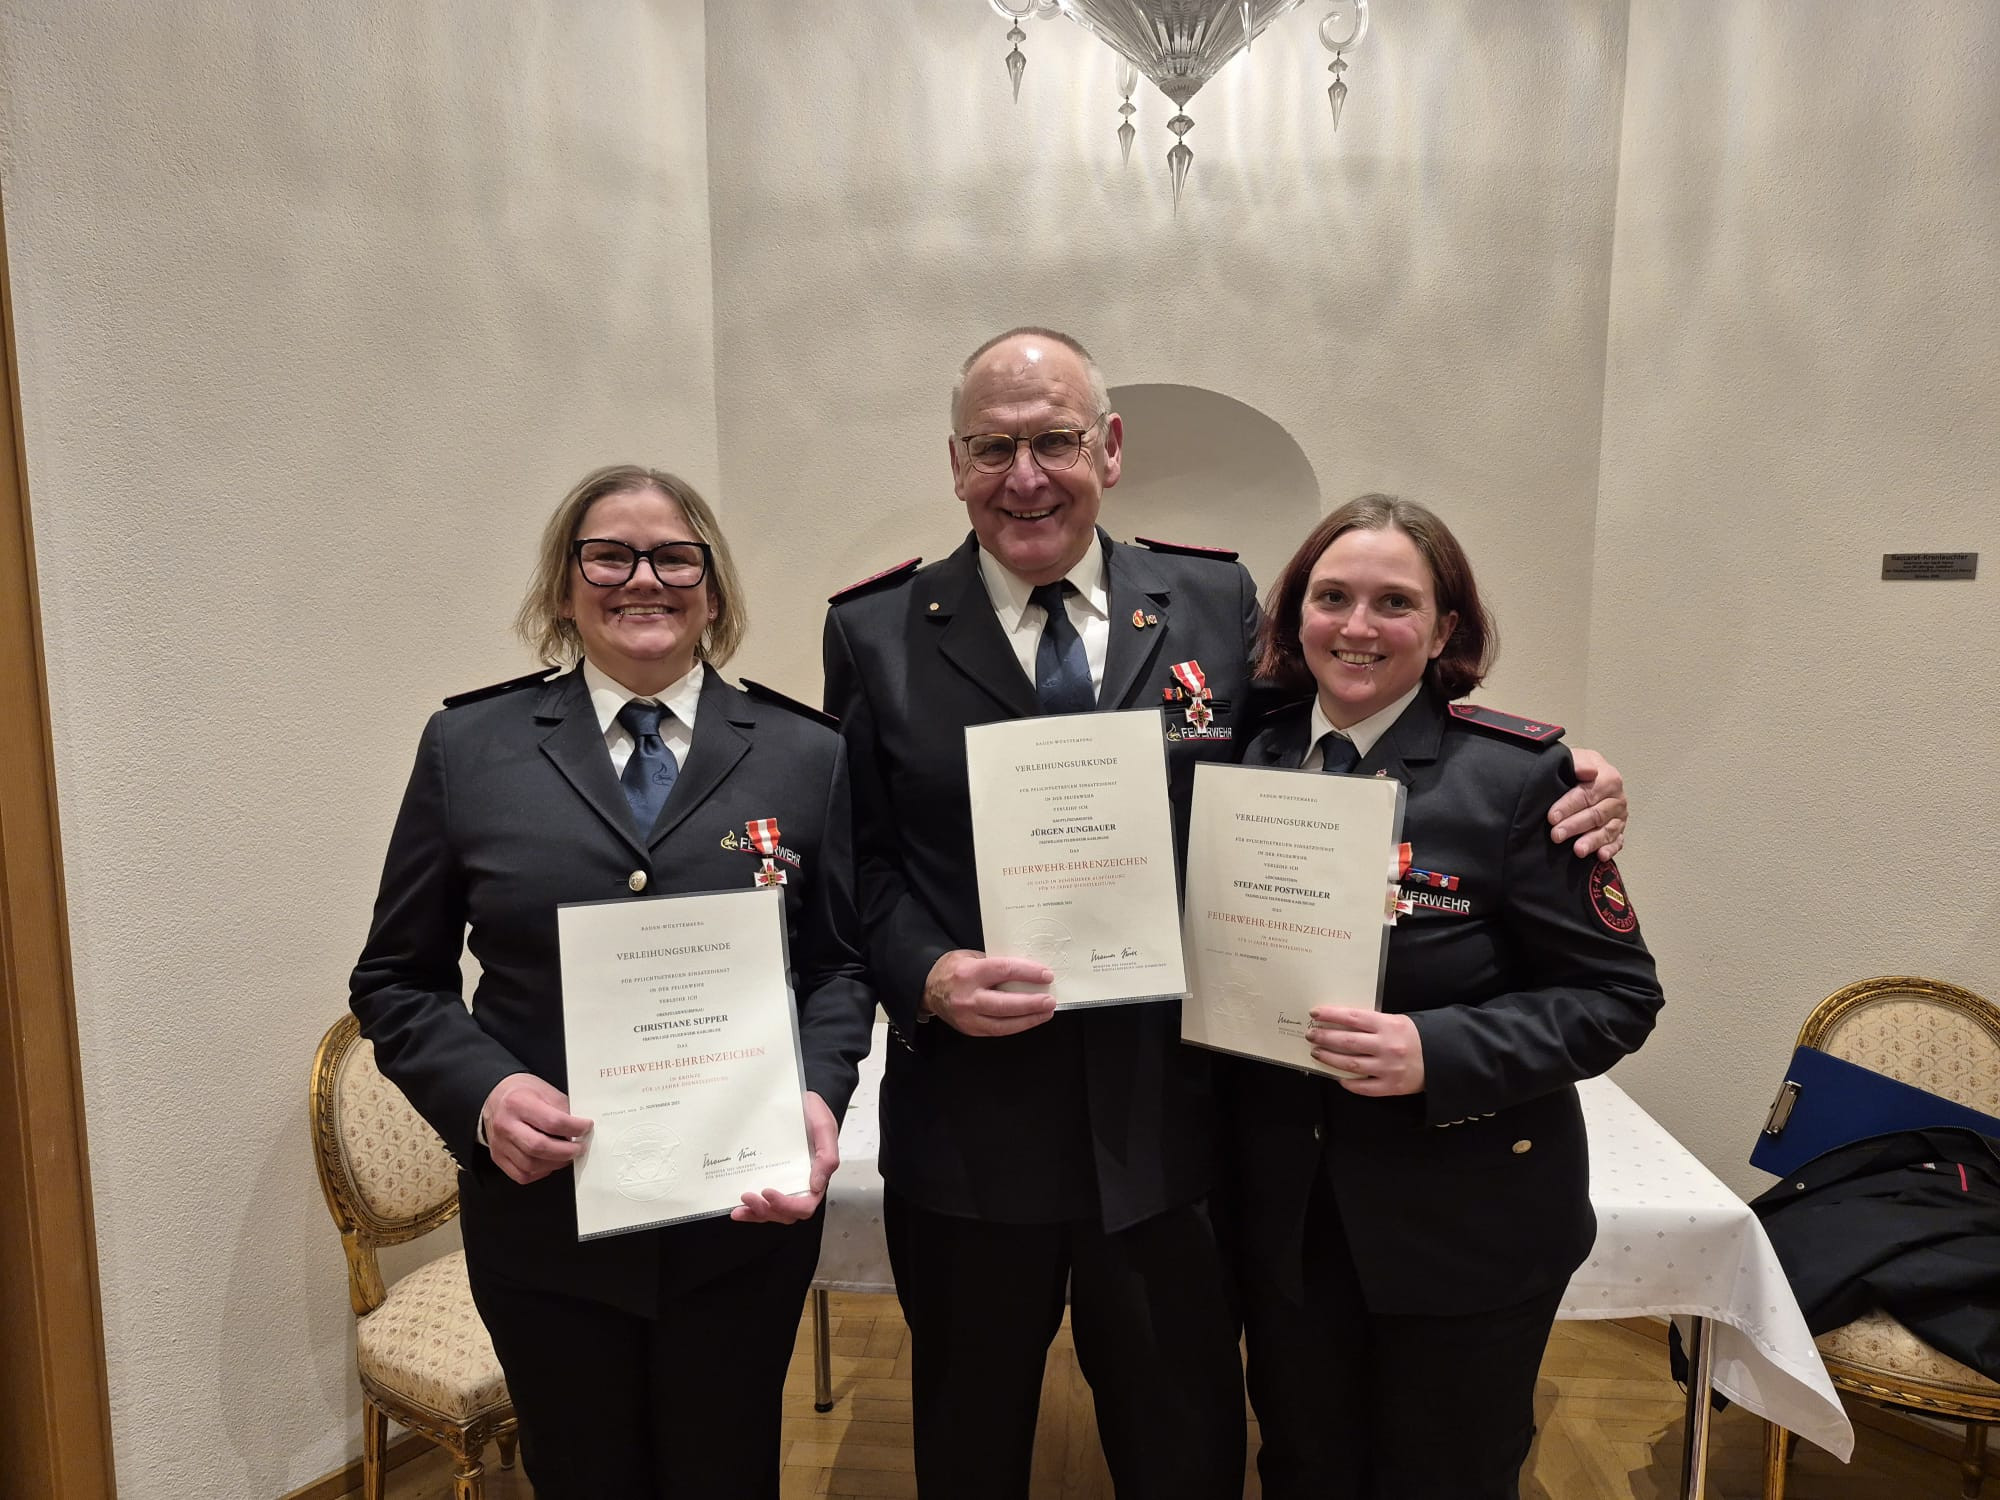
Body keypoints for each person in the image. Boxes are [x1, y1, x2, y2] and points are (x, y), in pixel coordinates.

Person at [821, 327, 1633, 1497]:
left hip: (1175, 1123)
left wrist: (1573, 779)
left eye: (1053, 440)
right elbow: (866, 862)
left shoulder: (1207, 599)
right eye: (993, 447)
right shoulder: (873, 629)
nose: (1025, 474)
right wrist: (928, 974)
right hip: (974, 1129)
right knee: (967, 1432)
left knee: (1182, 1443)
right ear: (953, 462)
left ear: (1107, 447)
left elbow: (1352, 710)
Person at [349, 463, 874, 1499]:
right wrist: (486, 1094)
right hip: (546, 1224)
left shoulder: (805, 753)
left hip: (740, 1220)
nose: (646, 578)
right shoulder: (469, 746)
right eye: (610, 554)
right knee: (580, 1472)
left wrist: (816, 1096)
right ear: (563, 585)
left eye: (676, 556)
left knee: (725, 1471)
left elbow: (836, 965)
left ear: (712, 589)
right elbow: (396, 980)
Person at [1222, 493, 1666, 1500]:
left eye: (1393, 603)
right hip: (1286, 1222)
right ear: (1294, 615)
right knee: (1301, 1465)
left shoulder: (1516, 781)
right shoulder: (1237, 752)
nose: (1356, 627)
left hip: (1464, 1223)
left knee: (1446, 1476)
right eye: (1331, 597)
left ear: (1444, 628)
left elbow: (1614, 996)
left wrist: (1439, 1051)